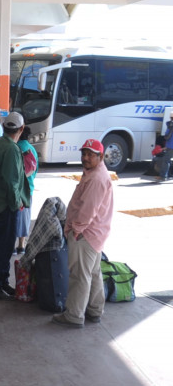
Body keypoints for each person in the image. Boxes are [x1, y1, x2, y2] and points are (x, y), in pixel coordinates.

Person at [52, 139, 114, 328]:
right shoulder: (95, 173)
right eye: (84, 154)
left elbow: (88, 209)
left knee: (80, 276)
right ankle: (94, 310)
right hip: (94, 234)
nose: (85, 158)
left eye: (90, 155)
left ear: (100, 157)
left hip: (86, 234)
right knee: (92, 273)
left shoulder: (96, 179)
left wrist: (76, 230)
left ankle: (74, 315)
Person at [0, 112, 30, 300]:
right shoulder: (11, 149)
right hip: (7, 204)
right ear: (20, 129)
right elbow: (12, 182)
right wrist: (16, 203)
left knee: (3, 244)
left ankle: (1, 282)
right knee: (4, 246)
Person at [15, 127, 39, 254]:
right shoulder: (32, 149)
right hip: (28, 189)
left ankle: (11, 245)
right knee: (25, 217)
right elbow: (36, 169)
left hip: (16, 189)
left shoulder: (14, 148)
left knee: (13, 216)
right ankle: (21, 245)